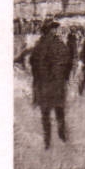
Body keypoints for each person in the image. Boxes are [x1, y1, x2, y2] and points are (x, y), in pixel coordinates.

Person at [27, 19, 72, 149]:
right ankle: (62, 137)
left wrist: (38, 78)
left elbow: (32, 62)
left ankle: (47, 142)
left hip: (44, 85)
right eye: (54, 29)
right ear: (51, 30)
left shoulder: (39, 45)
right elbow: (68, 61)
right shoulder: (59, 44)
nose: (56, 31)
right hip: (57, 84)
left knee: (45, 114)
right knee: (59, 111)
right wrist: (65, 76)